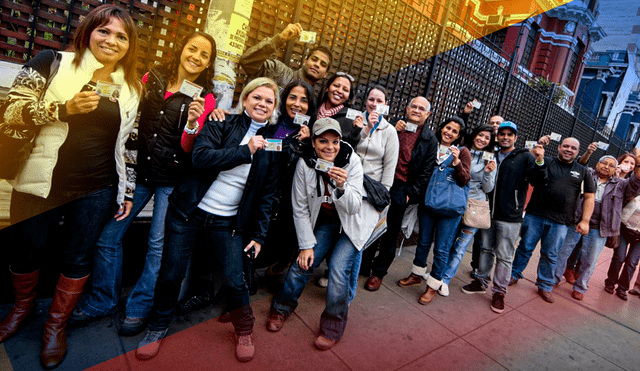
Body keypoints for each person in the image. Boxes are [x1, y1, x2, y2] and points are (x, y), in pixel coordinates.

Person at [0, 5, 141, 369]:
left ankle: (55, 326)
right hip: (39, 179)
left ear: (130, 45)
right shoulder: (50, 62)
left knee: (78, 257)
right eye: (104, 31)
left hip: (96, 187)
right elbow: (12, 113)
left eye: (121, 36)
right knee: (26, 251)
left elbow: (129, 144)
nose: (111, 41)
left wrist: (126, 190)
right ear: (88, 31)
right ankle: (21, 309)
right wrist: (63, 109)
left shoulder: (131, 87)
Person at [70, 31, 216, 335]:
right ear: (181, 49)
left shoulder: (206, 97)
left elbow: (190, 148)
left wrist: (192, 123)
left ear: (208, 63)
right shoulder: (153, 78)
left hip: (172, 180)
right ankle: (104, 299)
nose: (196, 57)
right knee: (108, 237)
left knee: (157, 246)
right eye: (192, 49)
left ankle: (139, 306)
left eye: (204, 55)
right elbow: (130, 114)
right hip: (139, 173)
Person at [135, 78, 281, 363]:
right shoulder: (221, 121)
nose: (262, 104)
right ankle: (156, 328)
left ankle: (244, 329)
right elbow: (200, 158)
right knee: (171, 273)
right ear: (246, 99)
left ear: (274, 108)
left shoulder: (273, 144)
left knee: (235, 278)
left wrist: (259, 235)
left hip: (227, 221)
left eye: (269, 101)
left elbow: (268, 195)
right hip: (189, 211)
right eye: (257, 97)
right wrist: (246, 150)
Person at [267, 117, 379, 350]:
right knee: (303, 263)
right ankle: (281, 309)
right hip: (327, 221)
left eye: (335, 141)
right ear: (314, 143)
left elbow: (354, 206)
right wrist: (306, 245)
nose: (330, 147)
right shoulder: (305, 164)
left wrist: (341, 186)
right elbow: (300, 208)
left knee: (338, 269)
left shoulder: (352, 162)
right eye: (323, 141)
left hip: (353, 222)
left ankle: (333, 326)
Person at [461, 121, 547, 314]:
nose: (505, 137)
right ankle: (481, 281)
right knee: (485, 249)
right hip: (488, 212)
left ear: (516, 138)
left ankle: (499, 292)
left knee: (505, 256)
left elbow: (539, 181)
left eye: (510, 134)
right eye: (502, 134)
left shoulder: (525, 156)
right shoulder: (491, 154)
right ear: (497, 136)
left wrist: (540, 162)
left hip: (510, 215)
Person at [362, 96, 438, 291]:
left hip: (401, 189)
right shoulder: (392, 126)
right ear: (407, 107)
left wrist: (409, 194)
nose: (417, 110)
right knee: (370, 224)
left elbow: (426, 172)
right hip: (379, 182)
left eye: (422, 108)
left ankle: (378, 273)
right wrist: (394, 129)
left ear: (427, 114)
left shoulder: (430, 140)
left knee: (390, 232)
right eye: (414, 106)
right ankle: (363, 265)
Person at [508, 137, 595, 304]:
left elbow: (590, 197)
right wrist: (537, 148)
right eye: (566, 146)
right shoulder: (545, 161)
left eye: (573, 148)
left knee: (551, 254)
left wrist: (585, 220)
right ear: (559, 147)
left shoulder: (583, 171)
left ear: (578, 152)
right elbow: (529, 168)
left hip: (561, 221)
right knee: (525, 248)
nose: (569, 150)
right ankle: (514, 274)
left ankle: (545, 285)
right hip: (535, 215)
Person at [396, 117, 471, 304]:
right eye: (448, 128)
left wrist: (456, 162)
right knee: (423, 242)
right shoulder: (432, 145)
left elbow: (465, 179)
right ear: (441, 128)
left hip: (450, 209)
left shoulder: (462, 152)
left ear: (459, 136)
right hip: (428, 204)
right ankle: (416, 275)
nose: (450, 133)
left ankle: (433, 285)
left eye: (455, 131)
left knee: (442, 248)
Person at [554, 153, 640, 301]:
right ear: (598, 164)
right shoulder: (587, 175)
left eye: (611, 165)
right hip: (576, 221)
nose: (606, 167)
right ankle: (553, 278)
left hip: (599, 228)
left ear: (615, 170)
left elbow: (634, 184)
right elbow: (579, 164)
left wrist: (638, 166)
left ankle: (580, 287)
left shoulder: (620, 185)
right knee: (563, 252)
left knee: (590, 260)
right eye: (604, 163)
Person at [348, 85, 399, 298]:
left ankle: (348, 283)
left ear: (386, 105)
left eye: (379, 100)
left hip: (371, 193)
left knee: (358, 237)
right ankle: (334, 271)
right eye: (371, 99)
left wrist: (383, 198)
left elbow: (390, 166)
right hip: (349, 184)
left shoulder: (390, 131)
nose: (374, 104)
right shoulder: (357, 121)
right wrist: (364, 129)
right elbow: (347, 147)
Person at [440, 125, 496, 295]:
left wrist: (487, 172)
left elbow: (488, 188)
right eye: (480, 135)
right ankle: (437, 273)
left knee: (460, 246)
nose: (482, 140)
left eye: (487, 138)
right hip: (455, 200)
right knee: (446, 241)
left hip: (475, 206)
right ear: (474, 135)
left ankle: (445, 279)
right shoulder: (461, 151)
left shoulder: (490, 159)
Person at [239, 23, 332, 91]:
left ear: (325, 74)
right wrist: (280, 39)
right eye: (314, 59)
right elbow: (247, 62)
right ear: (304, 62)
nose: (317, 64)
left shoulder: (312, 99)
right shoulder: (279, 71)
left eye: (323, 64)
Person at [315, 72, 362, 149]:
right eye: (336, 86)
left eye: (345, 90)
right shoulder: (313, 108)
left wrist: (355, 133)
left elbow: (348, 150)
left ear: (349, 96)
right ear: (327, 88)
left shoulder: (349, 120)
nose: (340, 91)